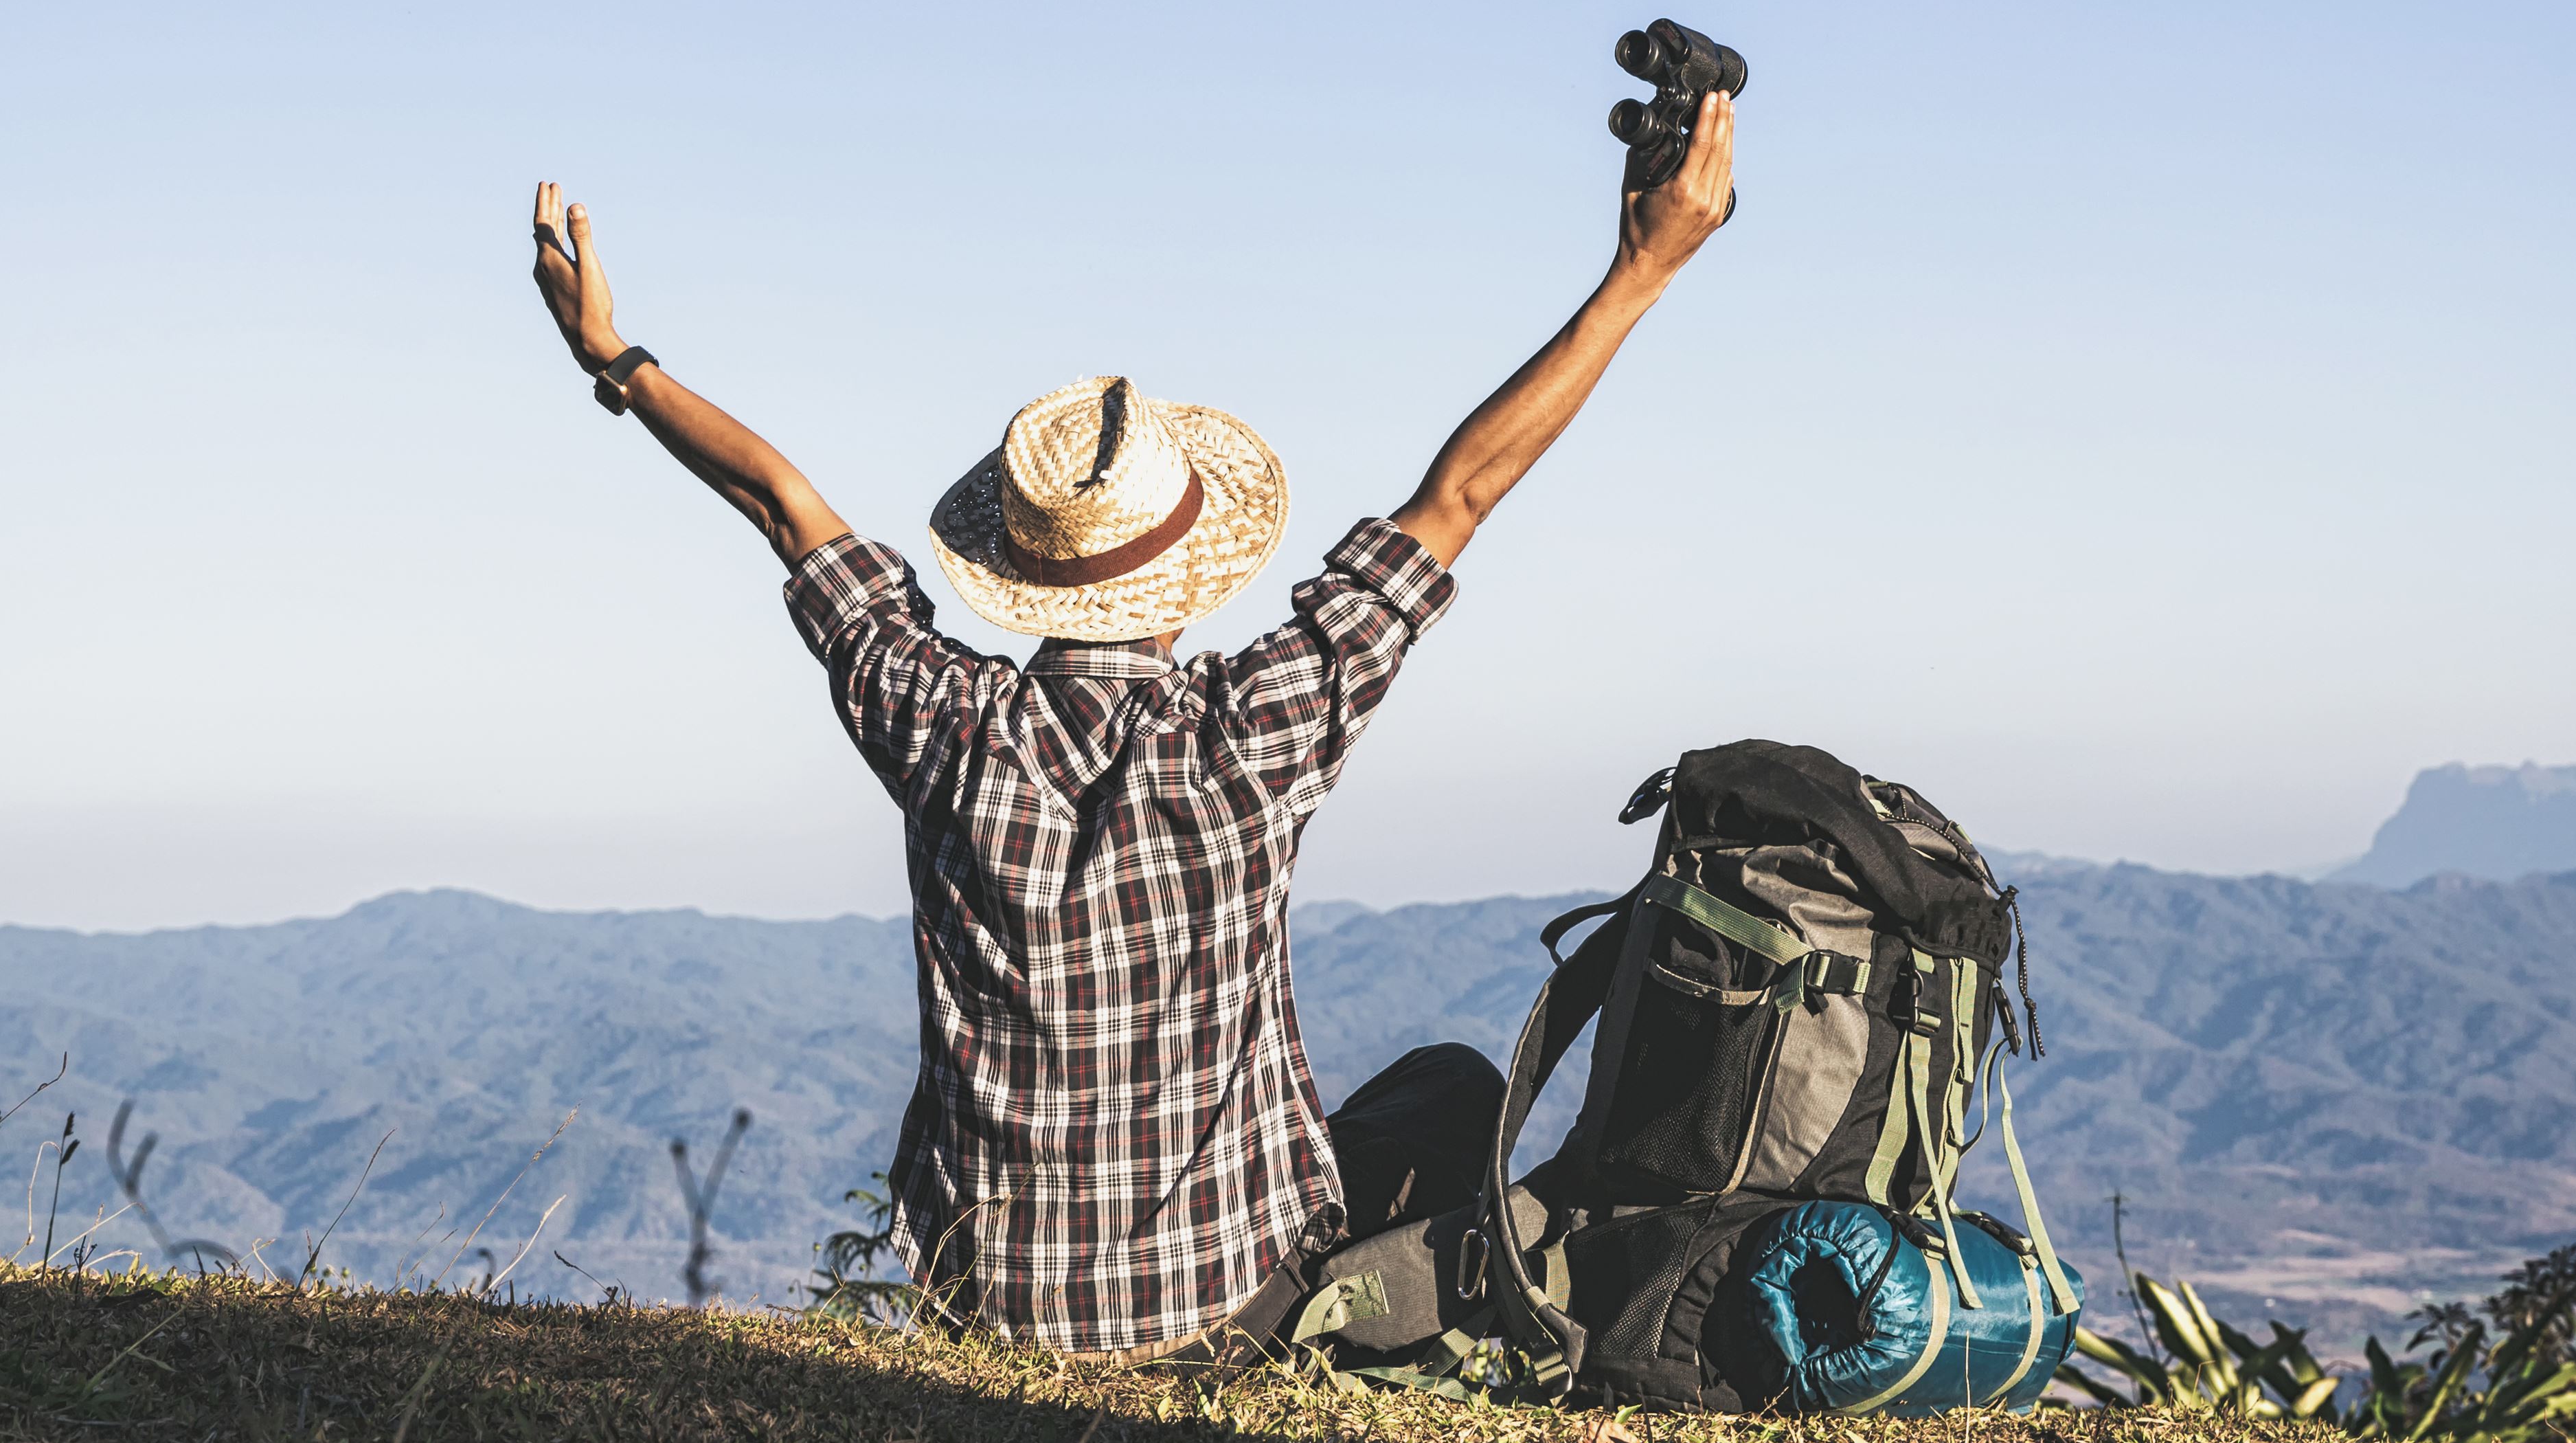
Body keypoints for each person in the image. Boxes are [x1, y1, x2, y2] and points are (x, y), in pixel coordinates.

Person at [526, 90, 1737, 1356]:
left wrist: (613, 359)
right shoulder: (1255, 731)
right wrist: (1641, 270)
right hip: (1228, 1312)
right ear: (1193, 569)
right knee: (1452, 1090)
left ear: (1026, 569)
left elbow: (782, 504)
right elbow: (1463, 492)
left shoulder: (937, 719)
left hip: (985, 1308)